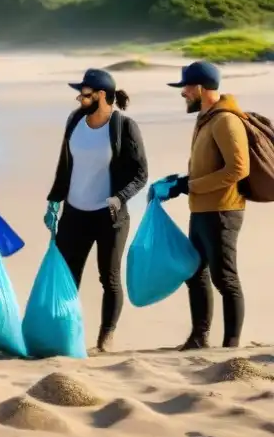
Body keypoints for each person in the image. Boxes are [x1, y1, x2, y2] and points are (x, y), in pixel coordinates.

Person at [44, 69, 147, 353]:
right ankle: (65, 334)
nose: (80, 98)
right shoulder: (75, 120)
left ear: (101, 95)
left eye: (85, 93)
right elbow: (65, 164)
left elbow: (141, 173)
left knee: (109, 278)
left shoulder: (124, 127)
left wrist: (120, 197)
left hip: (109, 216)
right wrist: (54, 199)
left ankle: (106, 338)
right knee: (67, 276)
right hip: (74, 213)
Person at [152, 61, 249, 350]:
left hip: (222, 211)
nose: (183, 93)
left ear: (200, 88)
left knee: (224, 277)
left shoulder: (226, 121)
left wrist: (190, 186)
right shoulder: (205, 118)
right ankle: (199, 338)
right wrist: (179, 183)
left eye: (185, 87)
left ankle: (231, 344)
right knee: (195, 273)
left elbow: (238, 169)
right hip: (202, 209)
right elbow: (208, 166)